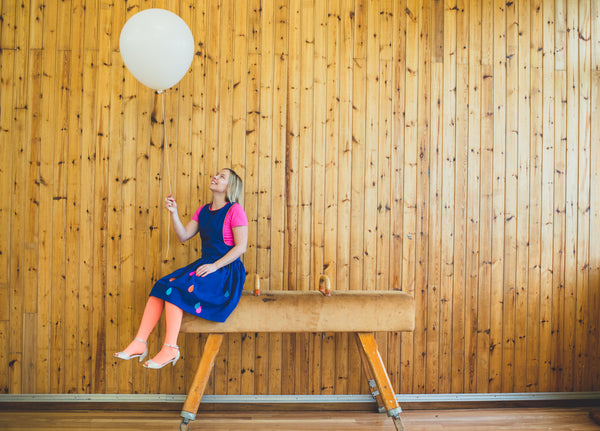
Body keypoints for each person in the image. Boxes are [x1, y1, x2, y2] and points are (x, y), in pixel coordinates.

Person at [114, 168, 248, 368]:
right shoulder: (203, 211)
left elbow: (241, 247)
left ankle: (170, 347)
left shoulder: (235, 210)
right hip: (206, 265)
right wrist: (173, 213)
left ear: (230, 186)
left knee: (175, 289)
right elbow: (184, 235)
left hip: (225, 270)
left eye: (222, 176)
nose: (215, 177)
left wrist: (214, 266)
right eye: (216, 174)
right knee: (162, 285)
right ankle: (140, 342)